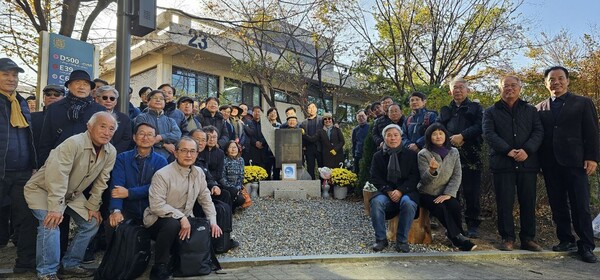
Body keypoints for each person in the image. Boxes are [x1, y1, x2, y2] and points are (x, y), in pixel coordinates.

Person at [24, 111, 118, 279]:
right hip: (42, 189)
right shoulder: (73, 143)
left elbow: (101, 181)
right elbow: (56, 177)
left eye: (111, 129)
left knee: (91, 223)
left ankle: (70, 264)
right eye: (102, 126)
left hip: (70, 192)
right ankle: (47, 272)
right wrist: (55, 209)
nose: (107, 132)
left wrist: (93, 206)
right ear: (89, 127)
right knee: (50, 223)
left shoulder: (111, 151)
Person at [536, 66, 599, 263]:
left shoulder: (582, 103)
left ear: (567, 80)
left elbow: (592, 132)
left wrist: (592, 158)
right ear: (546, 83)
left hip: (576, 162)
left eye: (560, 78)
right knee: (558, 204)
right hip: (550, 164)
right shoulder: (539, 108)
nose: (556, 82)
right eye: (551, 79)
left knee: (580, 204)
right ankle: (565, 239)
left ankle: (586, 244)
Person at [144, 136, 222, 280]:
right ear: (175, 153)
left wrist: (213, 221)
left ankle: (194, 262)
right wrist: (181, 217)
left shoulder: (198, 172)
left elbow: (205, 199)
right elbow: (156, 205)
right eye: (184, 150)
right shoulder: (163, 175)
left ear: (197, 154)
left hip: (186, 218)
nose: (188, 155)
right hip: (158, 220)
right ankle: (159, 267)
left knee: (207, 225)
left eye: (192, 151)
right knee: (172, 224)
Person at [482, 75, 544, 252]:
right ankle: (507, 238)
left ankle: (528, 238)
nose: (509, 88)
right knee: (504, 203)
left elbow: (538, 132)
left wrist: (527, 150)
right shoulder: (491, 111)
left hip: (528, 163)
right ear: (500, 88)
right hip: (503, 163)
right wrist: (508, 150)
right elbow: (488, 133)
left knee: (528, 202)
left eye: (513, 85)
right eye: (505, 86)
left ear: (520, 88)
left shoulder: (530, 110)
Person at [0, 57, 38, 274]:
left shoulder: (21, 101)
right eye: (6, 74)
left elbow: (28, 136)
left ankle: (25, 264)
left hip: (23, 172)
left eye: (14, 75)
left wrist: (33, 164)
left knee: (27, 219)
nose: (11, 79)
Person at [437, 77, 484, 238]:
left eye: (461, 87)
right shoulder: (445, 110)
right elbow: (438, 128)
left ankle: (472, 225)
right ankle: (452, 225)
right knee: (450, 191)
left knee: (472, 191)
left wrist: (463, 136)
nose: (458, 90)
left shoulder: (476, 108)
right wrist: (451, 139)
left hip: (471, 154)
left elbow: (480, 126)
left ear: (467, 90)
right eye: (454, 88)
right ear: (450, 91)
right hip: (449, 154)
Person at [417, 123, 475, 251]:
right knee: (440, 207)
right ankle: (458, 239)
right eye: (434, 134)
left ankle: (455, 235)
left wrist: (448, 194)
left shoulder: (453, 152)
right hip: (427, 193)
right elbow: (424, 180)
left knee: (454, 205)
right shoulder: (424, 154)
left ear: (446, 135)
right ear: (429, 137)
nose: (438, 136)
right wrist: (432, 171)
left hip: (445, 192)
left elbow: (457, 175)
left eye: (441, 133)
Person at [37, 69, 106, 165]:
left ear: (90, 89)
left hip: (88, 162)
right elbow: (46, 140)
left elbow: (106, 140)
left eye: (86, 84)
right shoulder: (54, 108)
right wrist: (43, 165)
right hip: (59, 161)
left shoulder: (100, 110)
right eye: (77, 83)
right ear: (69, 86)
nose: (81, 87)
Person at [369, 124, 419, 253]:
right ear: (384, 138)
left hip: (406, 191)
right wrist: (389, 190)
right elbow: (375, 177)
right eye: (389, 135)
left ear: (400, 137)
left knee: (408, 203)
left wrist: (401, 190)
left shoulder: (411, 155)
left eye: (395, 135)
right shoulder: (378, 156)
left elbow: (415, 177)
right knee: (376, 202)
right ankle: (381, 239)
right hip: (387, 191)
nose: (392, 138)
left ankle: (402, 241)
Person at [107, 122, 168, 229]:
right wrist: (116, 210)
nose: (145, 137)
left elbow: (157, 188)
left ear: (154, 139)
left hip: (152, 210)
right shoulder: (122, 158)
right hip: (127, 208)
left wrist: (129, 193)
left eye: (150, 135)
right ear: (134, 137)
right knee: (112, 225)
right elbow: (117, 188)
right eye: (141, 134)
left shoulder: (161, 161)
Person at [134, 90, 182, 161]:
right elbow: (143, 138)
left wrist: (160, 137)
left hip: (168, 157)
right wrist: (164, 145)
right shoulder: (142, 118)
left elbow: (177, 135)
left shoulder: (170, 120)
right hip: (147, 157)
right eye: (155, 98)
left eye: (161, 98)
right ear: (148, 101)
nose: (158, 100)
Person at [94, 85, 132, 153]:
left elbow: (126, 139)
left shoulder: (124, 119)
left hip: (115, 156)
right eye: (105, 98)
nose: (108, 100)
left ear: (115, 102)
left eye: (112, 98)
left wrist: (112, 152)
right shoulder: (90, 116)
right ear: (97, 99)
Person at [31, 84, 65, 157]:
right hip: (37, 162)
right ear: (44, 98)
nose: (52, 97)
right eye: (48, 94)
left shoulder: (69, 119)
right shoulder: (32, 117)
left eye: (57, 94)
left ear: (63, 98)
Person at [300, 103, 323, 179]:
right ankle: (312, 187)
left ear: (316, 109)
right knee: (310, 168)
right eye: (310, 108)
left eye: (313, 107)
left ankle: (323, 187)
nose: (312, 109)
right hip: (309, 148)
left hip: (320, 148)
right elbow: (302, 137)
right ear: (307, 110)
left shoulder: (322, 120)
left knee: (322, 169)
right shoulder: (303, 123)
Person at [222, 141, 246, 210]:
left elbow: (241, 175)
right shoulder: (224, 160)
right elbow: (222, 177)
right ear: (226, 151)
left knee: (241, 199)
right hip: (227, 187)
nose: (233, 149)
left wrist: (238, 187)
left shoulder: (241, 160)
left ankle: (233, 207)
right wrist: (232, 188)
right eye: (230, 147)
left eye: (235, 147)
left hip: (237, 187)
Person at [351, 110, 369, 174]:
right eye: (359, 117)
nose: (361, 118)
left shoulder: (371, 127)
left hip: (368, 154)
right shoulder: (355, 130)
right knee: (357, 172)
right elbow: (354, 143)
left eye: (362, 116)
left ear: (366, 116)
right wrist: (353, 155)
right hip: (358, 155)